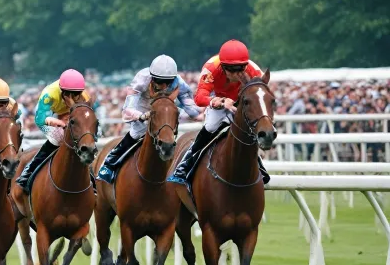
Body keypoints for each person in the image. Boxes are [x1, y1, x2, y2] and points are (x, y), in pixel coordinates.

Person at [169, 39, 267, 185]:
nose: (237, 74)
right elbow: (199, 97)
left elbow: (260, 93)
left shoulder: (254, 70)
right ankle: (185, 165)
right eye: (232, 70)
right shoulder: (211, 68)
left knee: (249, 128)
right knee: (210, 127)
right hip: (219, 101)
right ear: (223, 66)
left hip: (242, 102)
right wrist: (220, 101)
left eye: (241, 69)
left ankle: (259, 165)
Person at [97, 55, 200, 183]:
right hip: (142, 109)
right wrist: (140, 116)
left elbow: (193, 110)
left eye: (167, 82)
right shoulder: (142, 79)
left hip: (164, 111)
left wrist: (197, 112)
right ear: (152, 77)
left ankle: (183, 170)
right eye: (159, 81)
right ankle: (109, 164)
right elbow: (126, 111)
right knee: (136, 133)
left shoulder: (179, 82)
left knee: (169, 135)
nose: (163, 86)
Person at [15, 69, 90, 191]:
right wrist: (58, 123)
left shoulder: (84, 96)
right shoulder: (49, 94)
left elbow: (87, 117)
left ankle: (90, 176)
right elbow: (39, 119)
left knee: (82, 139)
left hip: (68, 113)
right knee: (58, 138)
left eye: (77, 94)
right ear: (62, 91)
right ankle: (28, 172)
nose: (75, 98)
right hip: (48, 116)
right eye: (70, 94)